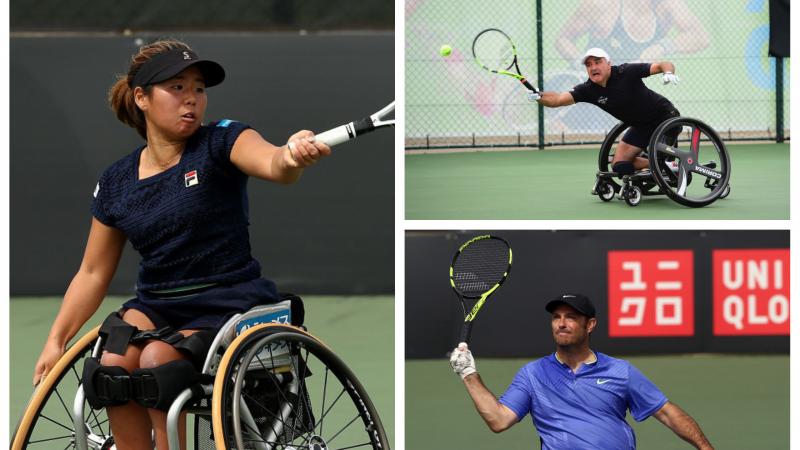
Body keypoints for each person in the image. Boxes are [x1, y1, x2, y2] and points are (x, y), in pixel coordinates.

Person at [31, 39, 331, 450]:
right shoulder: (117, 182)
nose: (191, 99)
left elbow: (275, 163)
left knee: (157, 362)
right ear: (142, 98)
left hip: (228, 303)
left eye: (199, 89)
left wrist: (292, 157)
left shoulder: (222, 141)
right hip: (156, 304)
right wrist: (56, 339)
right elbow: (93, 271)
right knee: (110, 367)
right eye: (177, 88)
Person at [450, 293, 714, 450]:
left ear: (590, 324)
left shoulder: (620, 371)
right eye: (556, 317)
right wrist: (469, 375)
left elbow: (666, 412)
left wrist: (704, 447)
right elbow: (499, 420)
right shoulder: (533, 374)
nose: (561, 324)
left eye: (571, 317)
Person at [529, 48, 680, 175]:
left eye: (597, 62)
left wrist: (668, 72)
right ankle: (661, 167)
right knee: (619, 165)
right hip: (641, 127)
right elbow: (557, 99)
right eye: (588, 65)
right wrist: (539, 96)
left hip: (665, 118)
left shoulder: (626, 71)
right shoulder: (588, 89)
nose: (593, 67)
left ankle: (662, 165)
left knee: (659, 159)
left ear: (609, 64)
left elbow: (663, 64)